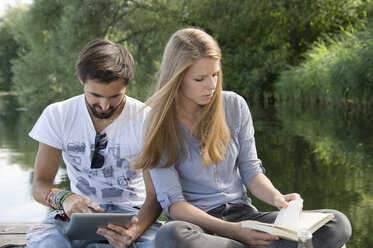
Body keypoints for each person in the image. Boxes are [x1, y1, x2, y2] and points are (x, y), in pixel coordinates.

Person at [133, 27, 352, 248]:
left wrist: (278, 199)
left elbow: (251, 172)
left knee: (337, 223)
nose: (212, 86)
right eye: (200, 79)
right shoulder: (157, 124)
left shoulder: (234, 105)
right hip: (199, 226)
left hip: (244, 217)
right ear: (177, 78)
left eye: (215, 74)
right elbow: (175, 206)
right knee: (170, 235)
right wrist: (236, 233)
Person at [26, 39, 162, 248]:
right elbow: (39, 185)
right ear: (81, 79)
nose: (105, 105)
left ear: (127, 85)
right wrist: (65, 198)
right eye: (95, 95)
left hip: (133, 216)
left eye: (115, 96)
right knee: (47, 242)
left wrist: (135, 230)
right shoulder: (58, 115)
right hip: (77, 216)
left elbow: (155, 195)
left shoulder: (147, 119)